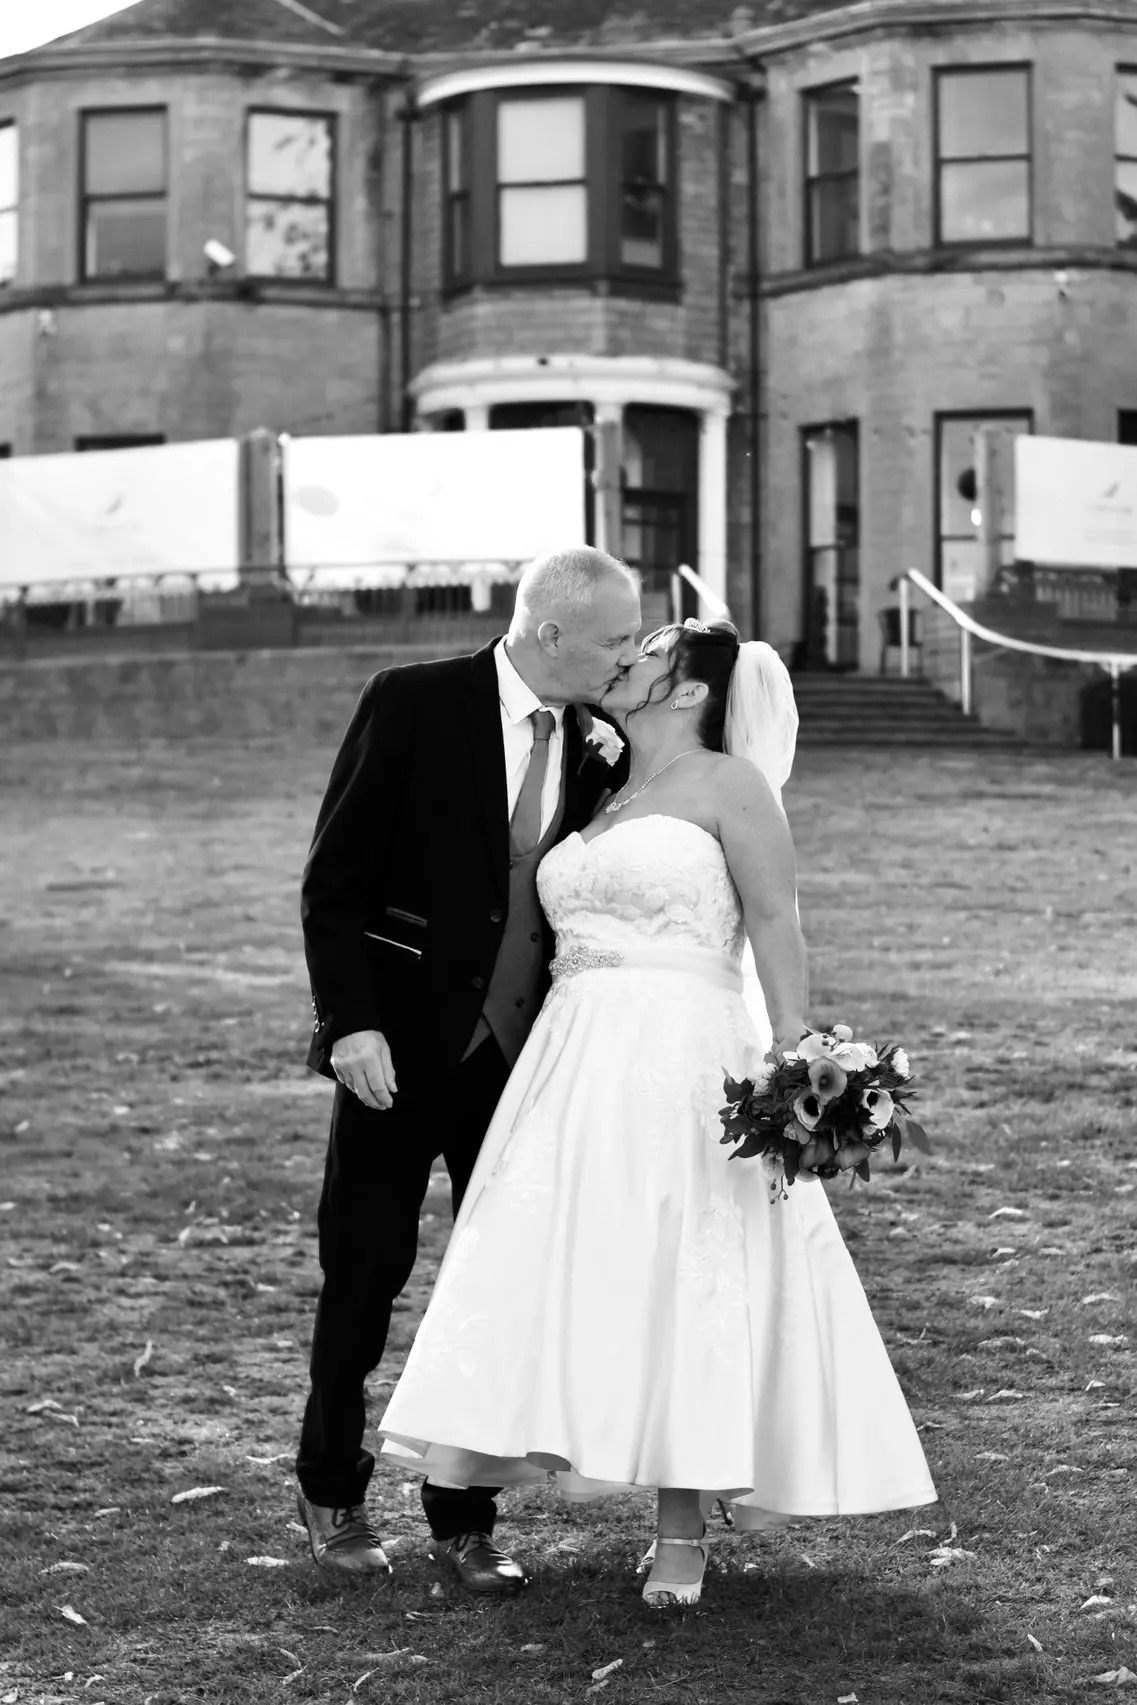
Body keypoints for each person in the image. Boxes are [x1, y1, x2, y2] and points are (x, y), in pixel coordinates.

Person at [376, 618, 938, 1607]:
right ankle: (535, 1441)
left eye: (647, 652)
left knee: (692, 1270)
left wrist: (799, 1064)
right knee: (567, 1261)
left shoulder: (732, 787)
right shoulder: (602, 786)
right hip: (570, 1054)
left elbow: (775, 922)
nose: (623, 658)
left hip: (686, 1052)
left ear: (684, 690)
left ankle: (681, 1534)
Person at [295, 547, 640, 1593]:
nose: (628, 657)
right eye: (616, 638)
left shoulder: (599, 743)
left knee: (492, 1291)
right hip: (393, 1056)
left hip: (522, 1065)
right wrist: (351, 1025)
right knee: (365, 1274)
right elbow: (333, 880)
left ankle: (463, 1517)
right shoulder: (411, 703)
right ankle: (331, 1488)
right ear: (549, 634)